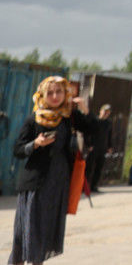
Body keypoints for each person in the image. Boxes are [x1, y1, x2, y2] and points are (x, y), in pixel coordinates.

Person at [9, 76, 92, 265]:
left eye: (59, 91)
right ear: (42, 95)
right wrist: (35, 144)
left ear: (65, 93)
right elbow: (18, 149)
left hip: (58, 183)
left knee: (46, 230)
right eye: (50, 92)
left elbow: (94, 130)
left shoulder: (68, 118)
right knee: (27, 231)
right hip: (35, 184)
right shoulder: (33, 119)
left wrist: (85, 111)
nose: (55, 96)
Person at [85, 104, 112, 193]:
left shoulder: (108, 123)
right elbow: (88, 133)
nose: (106, 114)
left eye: (108, 112)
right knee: (89, 168)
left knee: (99, 168)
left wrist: (110, 146)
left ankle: (94, 186)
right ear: (100, 111)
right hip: (93, 147)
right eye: (105, 111)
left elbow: (109, 135)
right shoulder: (95, 121)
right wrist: (89, 145)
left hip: (102, 147)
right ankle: (84, 186)